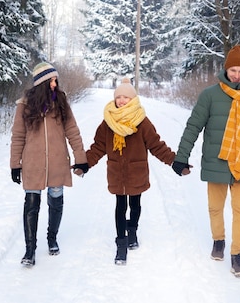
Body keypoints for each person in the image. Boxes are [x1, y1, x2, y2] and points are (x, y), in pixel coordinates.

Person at [173, 44, 240, 278]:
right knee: (215, 207)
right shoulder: (210, 95)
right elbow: (193, 127)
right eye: (233, 70)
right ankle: (218, 240)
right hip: (217, 160)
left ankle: (237, 255)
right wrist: (181, 157)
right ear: (225, 69)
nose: (237, 75)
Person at [75, 78, 191, 265]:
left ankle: (132, 232)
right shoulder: (107, 123)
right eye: (118, 97)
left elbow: (156, 146)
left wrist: (174, 162)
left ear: (133, 99)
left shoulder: (142, 122)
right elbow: (98, 147)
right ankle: (121, 244)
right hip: (117, 172)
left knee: (135, 204)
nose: (121, 100)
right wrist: (84, 164)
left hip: (136, 171)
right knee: (120, 206)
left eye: (125, 97)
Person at [10, 62, 88, 267]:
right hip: (33, 163)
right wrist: (15, 164)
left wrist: (81, 158)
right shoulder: (24, 106)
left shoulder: (61, 102)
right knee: (31, 205)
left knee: (55, 200)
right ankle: (30, 250)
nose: (55, 84)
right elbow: (18, 136)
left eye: (56, 80)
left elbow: (73, 131)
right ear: (42, 83)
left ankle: (52, 238)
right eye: (52, 80)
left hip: (56, 161)